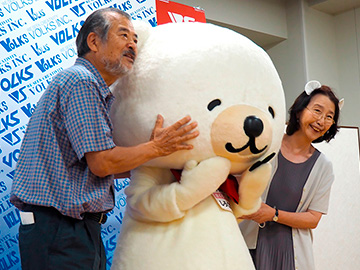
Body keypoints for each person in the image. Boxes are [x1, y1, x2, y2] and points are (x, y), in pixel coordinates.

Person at [10, 8, 199, 270]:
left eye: (135, 39)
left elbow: (95, 169)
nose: (132, 44)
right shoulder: (81, 81)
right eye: (124, 35)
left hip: (74, 230)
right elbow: (102, 164)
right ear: (94, 41)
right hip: (61, 230)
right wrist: (156, 147)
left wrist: (155, 154)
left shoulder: (92, 88)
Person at [239, 81, 342, 270]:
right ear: (299, 110)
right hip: (248, 245)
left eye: (329, 117)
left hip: (290, 254)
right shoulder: (267, 144)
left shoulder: (323, 166)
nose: (321, 121)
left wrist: (273, 215)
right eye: (317, 111)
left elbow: (313, 218)